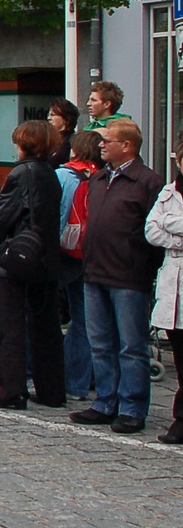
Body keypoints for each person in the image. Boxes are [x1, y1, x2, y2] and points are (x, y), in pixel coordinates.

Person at [71, 120, 163, 433]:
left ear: (126, 145)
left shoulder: (147, 182)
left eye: (107, 140)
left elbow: (154, 233)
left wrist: (143, 268)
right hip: (94, 270)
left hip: (128, 275)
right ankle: (105, 401)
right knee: (100, 343)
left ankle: (132, 407)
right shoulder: (98, 179)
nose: (101, 144)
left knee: (131, 346)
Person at [0, 120, 64, 409]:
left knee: (11, 327)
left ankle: (12, 390)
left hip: (20, 255)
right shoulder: (50, 173)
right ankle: (52, 390)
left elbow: (3, 216)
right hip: (45, 257)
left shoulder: (21, 173)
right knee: (46, 327)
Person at [142, 133, 183, 444]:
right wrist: (176, 237)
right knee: (180, 357)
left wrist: (171, 224)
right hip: (173, 282)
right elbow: (151, 230)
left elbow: (165, 225)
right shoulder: (170, 191)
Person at [56, 130, 102, 400]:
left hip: (63, 253)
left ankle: (52, 373)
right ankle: (79, 382)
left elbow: (58, 214)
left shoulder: (64, 175)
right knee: (84, 321)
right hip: (89, 254)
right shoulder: (101, 176)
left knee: (45, 314)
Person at [47, 98, 79, 169]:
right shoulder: (50, 139)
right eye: (49, 115)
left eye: (53, 115)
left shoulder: (71, 141)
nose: (49, 118)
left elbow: (54, 162)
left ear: (65, 119)